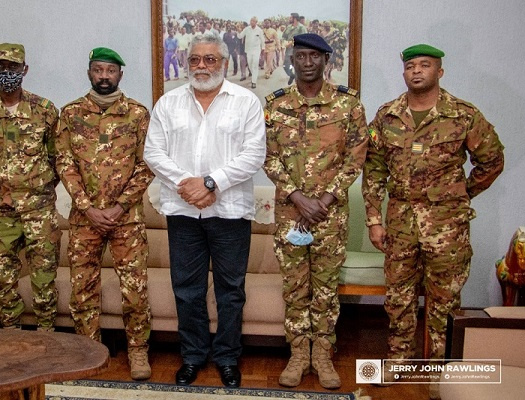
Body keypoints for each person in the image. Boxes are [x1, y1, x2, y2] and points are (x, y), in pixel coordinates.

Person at [362, 44, 504, 399]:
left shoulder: (463, 115)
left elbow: (492, 160)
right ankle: (399, 361)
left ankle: (443, 370)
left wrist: (460, 194)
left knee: (445, 299)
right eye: (410, 66)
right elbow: (374, 169)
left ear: (439, 72)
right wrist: (374, 221)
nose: (416, 71)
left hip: (448, 227)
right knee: (399, 296)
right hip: (399, 224)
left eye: (425, 65)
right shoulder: (387, 116)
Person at [144, 34, 266, 388]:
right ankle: (193, 356)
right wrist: (190, 184)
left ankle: (227, 358)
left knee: (230, 290)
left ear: (224, 64)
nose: (202, 66)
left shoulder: (245, 102)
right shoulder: (168, 104)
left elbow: (254, 155)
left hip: (230, 212)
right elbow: (154, 153)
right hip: (182, 212)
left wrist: (212, 183)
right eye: (195, 60)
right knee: (187, 289)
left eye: (210, 60)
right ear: (187, 64)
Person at [264, 33, 368, 389]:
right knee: (295, 289)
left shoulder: (348, 105)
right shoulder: (275, 105)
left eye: (314, 56)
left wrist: (324, 200)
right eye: (300, 56)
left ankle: (322, 355)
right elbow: (265, 156)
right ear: (292, 60)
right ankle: (297, 355)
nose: (307, 62)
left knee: (324, 289)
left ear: (327, 61)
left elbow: (356, 157)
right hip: (290, 213)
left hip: (330, 216)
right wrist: (297, 197)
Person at [55, 47, 154, 380]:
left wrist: (118, 205)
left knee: (135, 290)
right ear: (89, 73)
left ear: (120, 75)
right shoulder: (70, 113)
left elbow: (147, 165)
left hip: (126, 219)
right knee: (83, 289)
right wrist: (87, 207)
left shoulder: (137, 114)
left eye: (110, 71)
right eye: (98, 70)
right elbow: (64, 163)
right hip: (85, 221)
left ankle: (138, 352)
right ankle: (89, 352)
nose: (104, 76)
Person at [0, 43, 60, 331]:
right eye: (0, 67)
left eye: (13, 67)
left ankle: (46, 336)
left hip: (38, 212)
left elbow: (58, 156)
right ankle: (11, 337)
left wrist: (39, 188)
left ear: (25, 70)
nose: (7, 73)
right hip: (1, 213)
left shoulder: (44, 110)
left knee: (44, 277)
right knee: (3, 280)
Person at [237, 17, 264, 89]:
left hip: (256, 50)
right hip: (248, 50)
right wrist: (238, 31)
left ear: (256, 22)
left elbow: (262, 40)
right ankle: (254, 74)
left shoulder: (259, 30)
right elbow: (240, 36)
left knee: (255, 65)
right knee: (250, 65)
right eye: (251, 21)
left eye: (253, 21)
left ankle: (254, 81)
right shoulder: (247, 29)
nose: (251, 22)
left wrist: (263, 49)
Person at [281, 13, 308, 85]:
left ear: (295, 19)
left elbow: (304, 39)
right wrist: (284, 42)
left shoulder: (301, 28)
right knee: (285, 66)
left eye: (290, 18)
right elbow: (284, 36)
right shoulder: (289, 27)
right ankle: (292, 75)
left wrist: (292, 42)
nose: (289, 19)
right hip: (288, 50)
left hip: (298, 50)